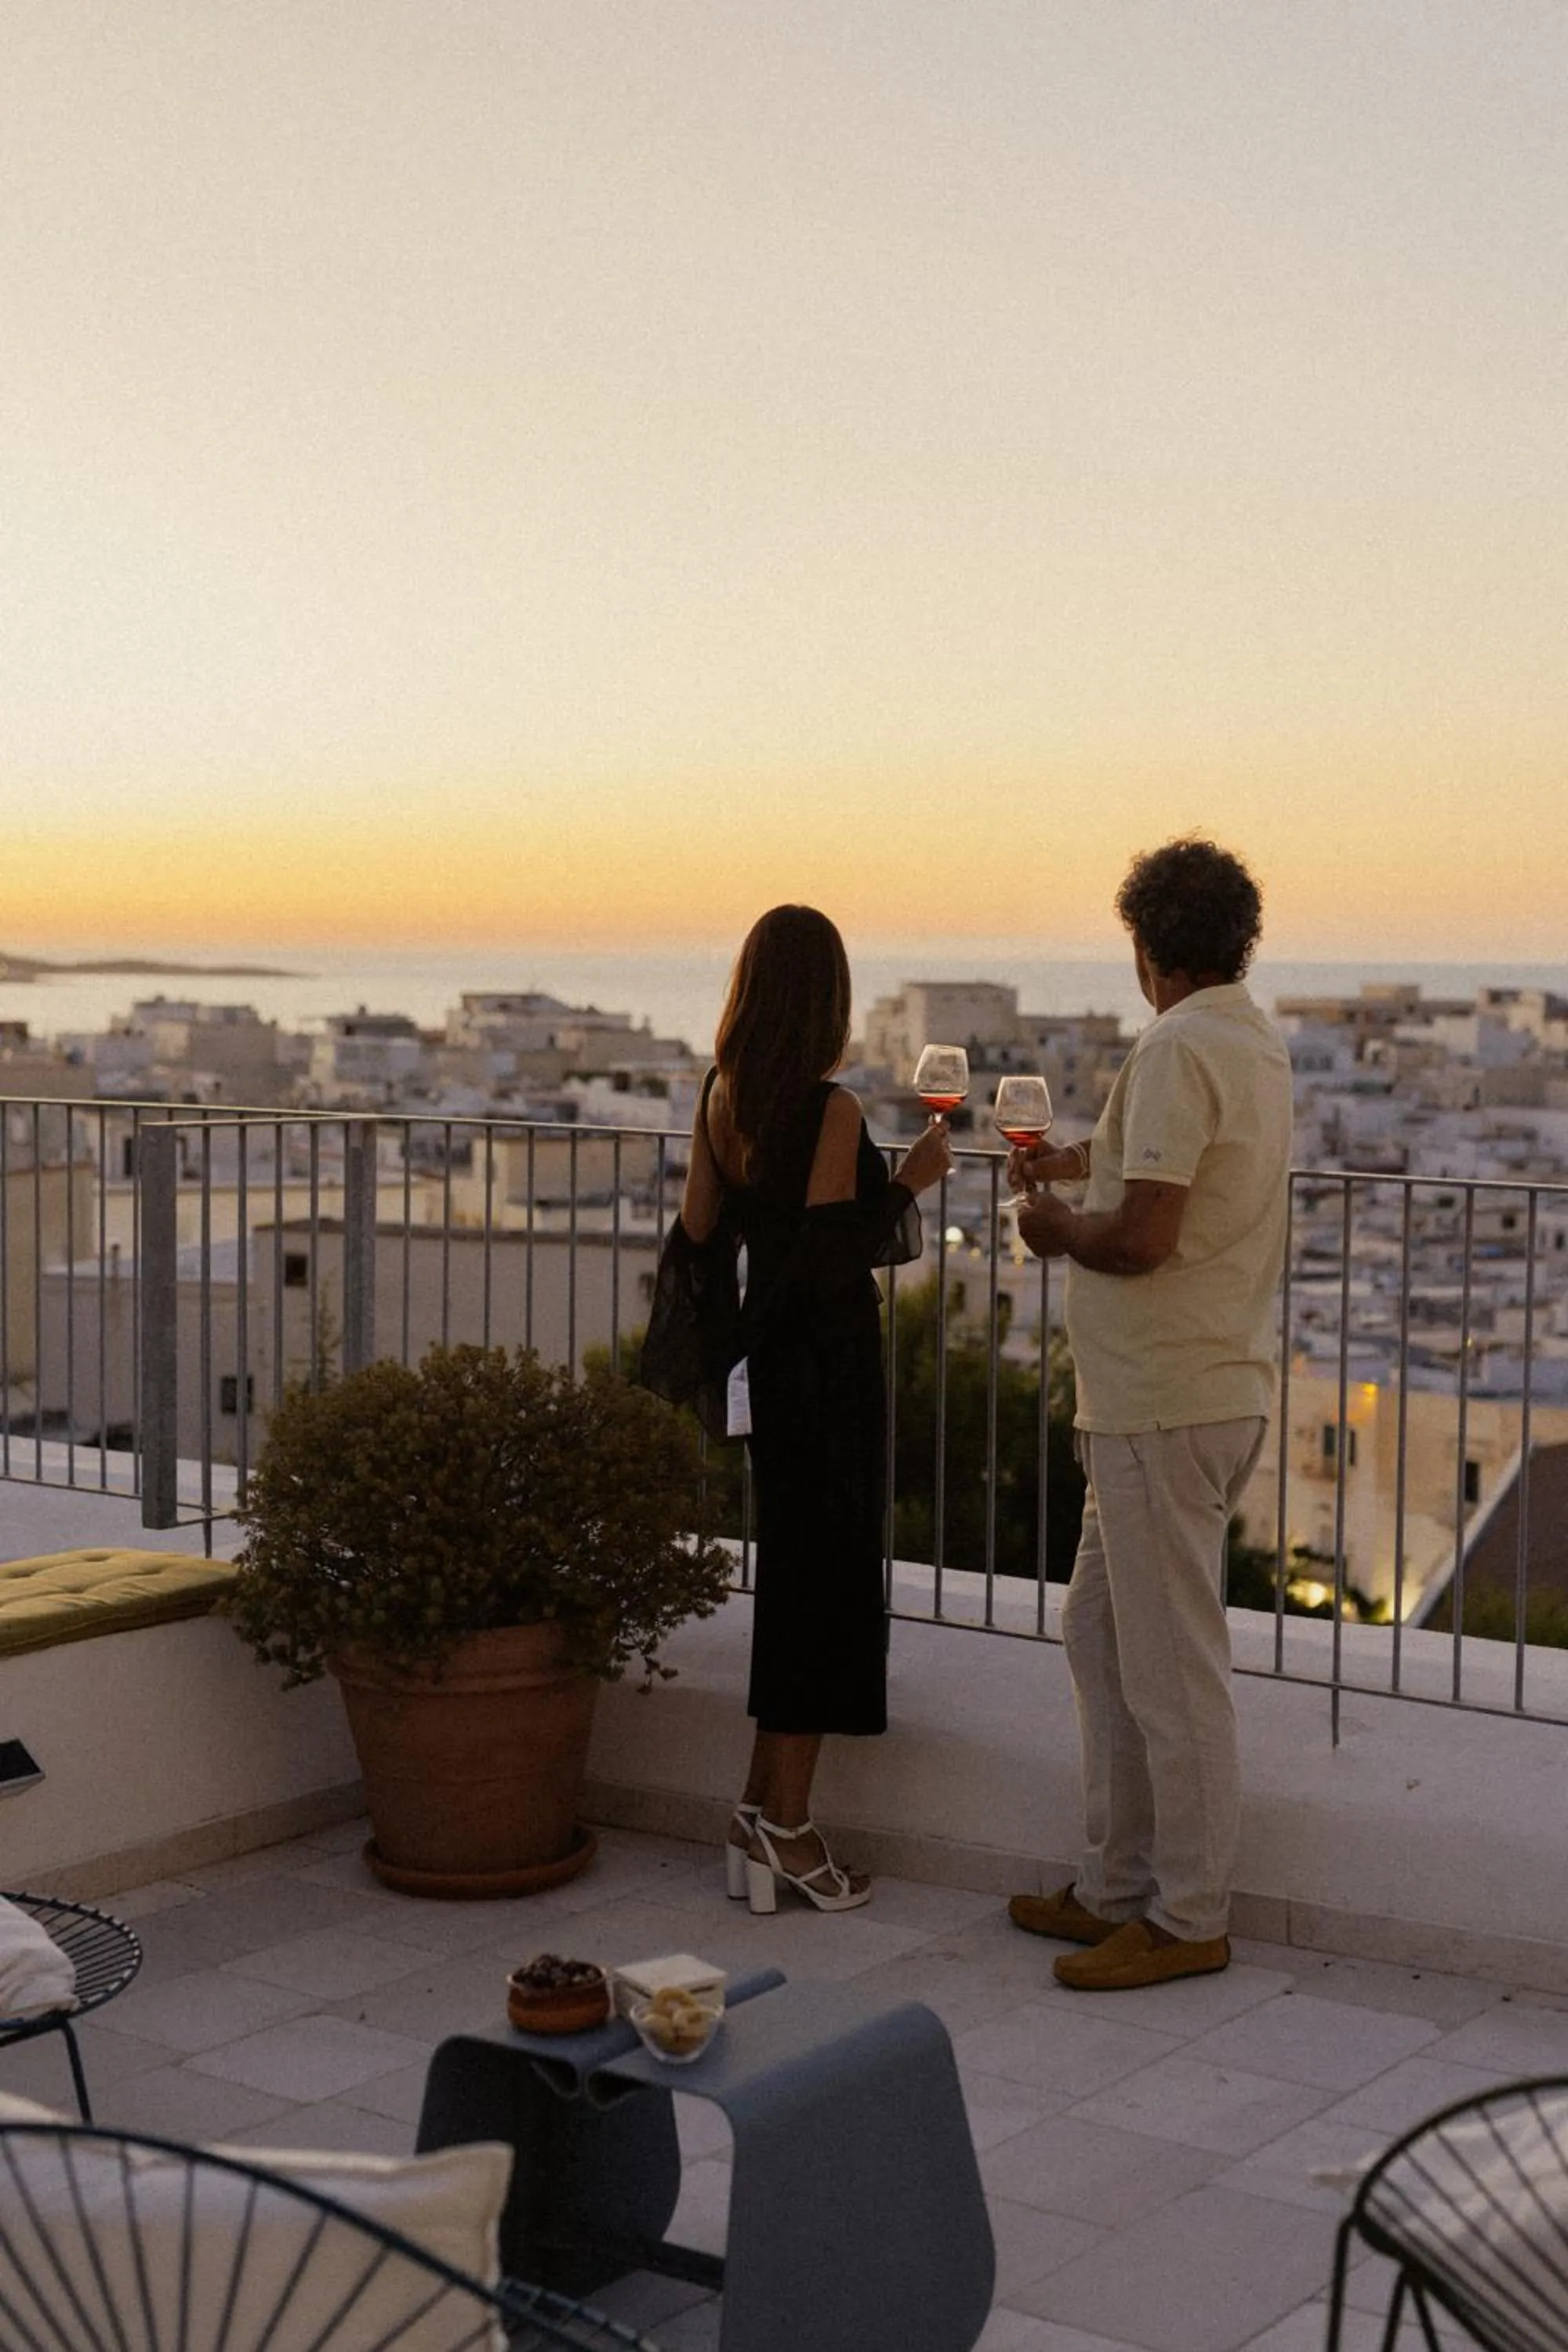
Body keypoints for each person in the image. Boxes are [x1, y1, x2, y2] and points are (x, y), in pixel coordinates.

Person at [1007, 838, 1293, 1990]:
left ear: (1145, 948)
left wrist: (1057, 1226)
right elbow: (1173, 1176)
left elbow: (1142, 1236)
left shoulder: (1177, 1047)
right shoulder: (1249, 1038)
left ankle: (1189, 1916)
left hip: (1165, 1405)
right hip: (1178, 1393)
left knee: (1171, 1671)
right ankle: (1118, 1887)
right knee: (1100, 1636)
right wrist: (1086, 1158)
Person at [677, 905, 952, 1913]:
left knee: (794, 1581)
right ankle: (789, 1832)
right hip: (825, 1374)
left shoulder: (722, 1096)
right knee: (824, 1595)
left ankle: (756, 1809)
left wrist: (724, 1353)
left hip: (766, 1369)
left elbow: (701, 1234)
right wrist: (910, 1180)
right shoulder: (829, 1111)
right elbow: (830, 1256)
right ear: (825, 998)